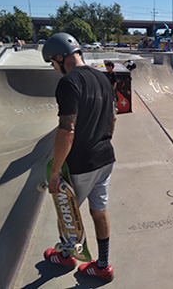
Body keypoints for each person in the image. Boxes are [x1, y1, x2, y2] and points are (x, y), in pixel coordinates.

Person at [42, 33, 116, 282]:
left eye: (53, 63)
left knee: (67, 211)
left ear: (60, 57)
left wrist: (55, 172)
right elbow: (113, 118)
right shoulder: (103, 79)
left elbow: (67, 130)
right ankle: (103, 265)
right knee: (99, 210)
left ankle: (65, 255)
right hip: (106, 158)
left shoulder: (69, 82)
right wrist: (103, 143)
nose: (55, 69)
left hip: (81, 164)